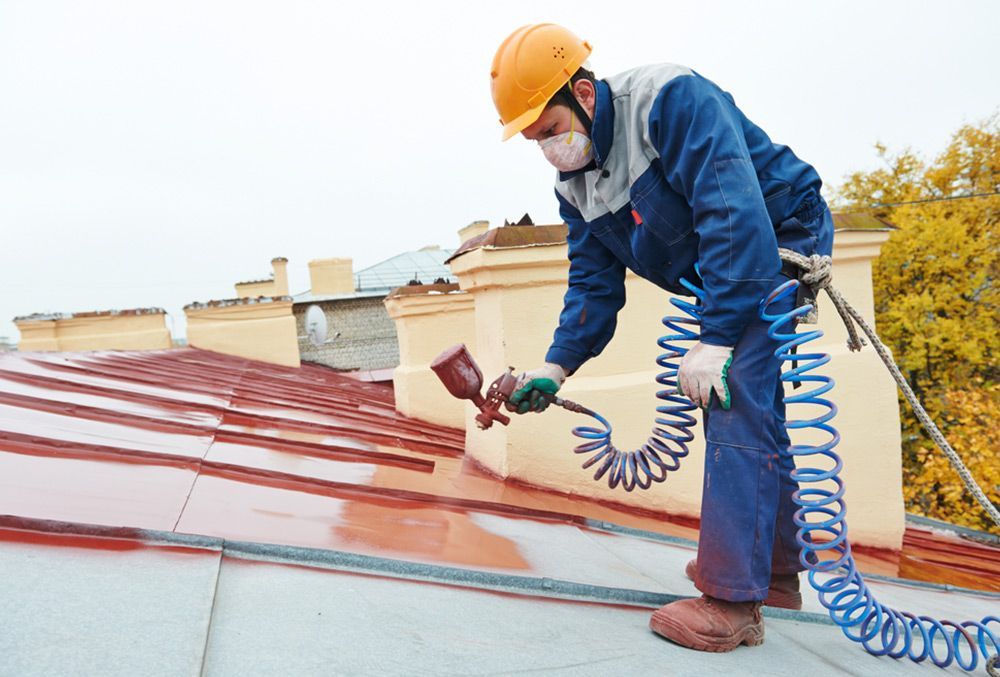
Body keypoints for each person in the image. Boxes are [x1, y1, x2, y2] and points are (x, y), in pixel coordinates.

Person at [490, 23, 833, 653]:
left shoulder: (671, 101)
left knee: (731, 392)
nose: (548, 149)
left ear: (586, 95)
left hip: (776, 235)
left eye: (549, 130)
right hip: (722, 257)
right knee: (750, 396)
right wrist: (556, 368)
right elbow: (593, 287)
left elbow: (734, 213)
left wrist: (719, 337)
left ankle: (733, 602)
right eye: (535, 141)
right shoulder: (576, 185)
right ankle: (776, 573)